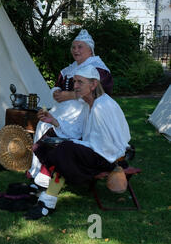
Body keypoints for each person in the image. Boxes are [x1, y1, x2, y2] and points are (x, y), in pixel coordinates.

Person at [24, 65, 131, 220]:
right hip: (97, 151)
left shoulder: (103, 106)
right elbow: (81, 132)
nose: (75, 86)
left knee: (65, 149)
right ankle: (47, 199)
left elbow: (107, 145)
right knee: (50, 142)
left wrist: (72, 143)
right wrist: (54, 121)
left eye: (80, 82)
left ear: (93, 85)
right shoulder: (90, 104)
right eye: (74, 82)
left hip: (109, 157)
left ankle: (47, 201)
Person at [28, 29, 114, 189]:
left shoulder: (98, 69)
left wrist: (71, 95)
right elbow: (57, 85)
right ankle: (40, 172)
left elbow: (100, 93)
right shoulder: (69, 69)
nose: (76, 50)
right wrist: (57, 93)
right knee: (44, 125)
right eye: (73, 47)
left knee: (52, 134)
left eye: (80, 47)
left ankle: (50, 175)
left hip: (83, 115)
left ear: (90, 50)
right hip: (63, 112)